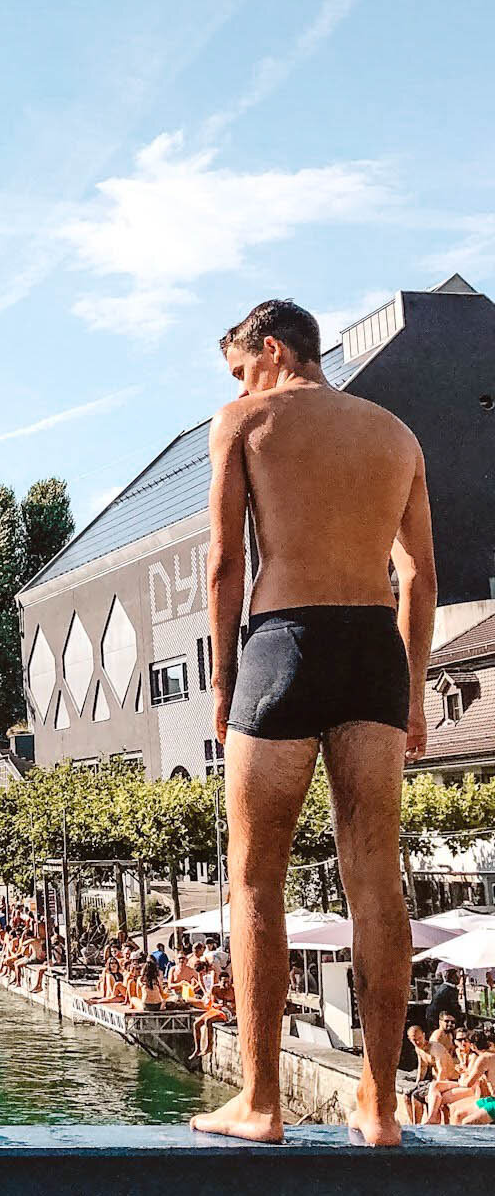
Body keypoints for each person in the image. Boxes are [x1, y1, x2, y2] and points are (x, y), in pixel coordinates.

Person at [192, 300, 435, 1148]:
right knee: (376, 875)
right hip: (373, 648)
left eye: (238, 367)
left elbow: (227, 564)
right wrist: (411, 690)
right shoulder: (395, 434)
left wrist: (223, 680)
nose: (235, 384)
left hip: (284, 643)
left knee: (254, 877)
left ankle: (260, 1103)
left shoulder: (243, 422)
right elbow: (423, 580)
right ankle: (381, 1105)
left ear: (269, 349)